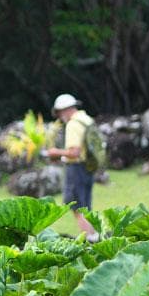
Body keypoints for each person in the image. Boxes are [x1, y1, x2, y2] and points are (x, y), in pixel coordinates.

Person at [45, 93, 99, 241]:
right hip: (89, 167)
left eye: (60, 112)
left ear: (66, 109)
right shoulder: (87, 119)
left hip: (76, 169)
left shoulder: (74, 124)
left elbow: (74, 152)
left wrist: (55, 152)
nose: (60, 116)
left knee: (76, 206)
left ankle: (90, 238)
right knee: (86, 206)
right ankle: (94, 234)